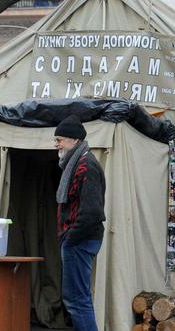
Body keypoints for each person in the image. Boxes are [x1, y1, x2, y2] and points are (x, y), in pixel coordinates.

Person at [54, 115, 107, 331]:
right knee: (77, 298)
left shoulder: (86, 166)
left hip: (80, 240)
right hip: (78, 239)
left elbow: (92, 211)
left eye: (60, 139)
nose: (56, 144)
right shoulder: (77, 163)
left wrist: (71, 238)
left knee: (77, 300)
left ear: (75, 140)